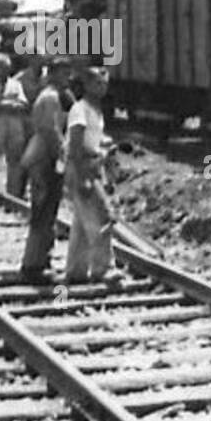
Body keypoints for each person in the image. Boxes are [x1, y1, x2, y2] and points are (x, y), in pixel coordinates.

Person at [20, 57, 73, 284]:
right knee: (42, 212)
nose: (67, 77)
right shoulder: (50, 98)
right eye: (63, 73)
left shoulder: (53, 96)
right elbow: (51, 131)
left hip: (45, 157)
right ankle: (33, 264)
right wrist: (64, 155)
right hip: (44, 159)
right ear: (52, 74)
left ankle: (41, 260)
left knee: (46, 212)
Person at [64, 66, 117, 284]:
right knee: (101, 217)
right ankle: (103, 269)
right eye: (97, 83)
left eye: (104, 83)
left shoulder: (95, 110)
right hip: (82, 166)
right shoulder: (81, 109)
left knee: (81, 223)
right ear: (85, 85)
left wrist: (105, 146)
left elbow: (91, 138)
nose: (102, 87)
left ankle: (76, 270)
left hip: (92, 166)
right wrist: (83, 175)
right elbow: (76, 144)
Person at [0, 53, 30, 201]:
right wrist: (11, 102)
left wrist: (4, 102)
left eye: (7, 68)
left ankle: (13, 194)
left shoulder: (16, 84)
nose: (5, 71)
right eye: (2, 68)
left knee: (14, 159)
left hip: (14, 124)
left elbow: (23, 104)